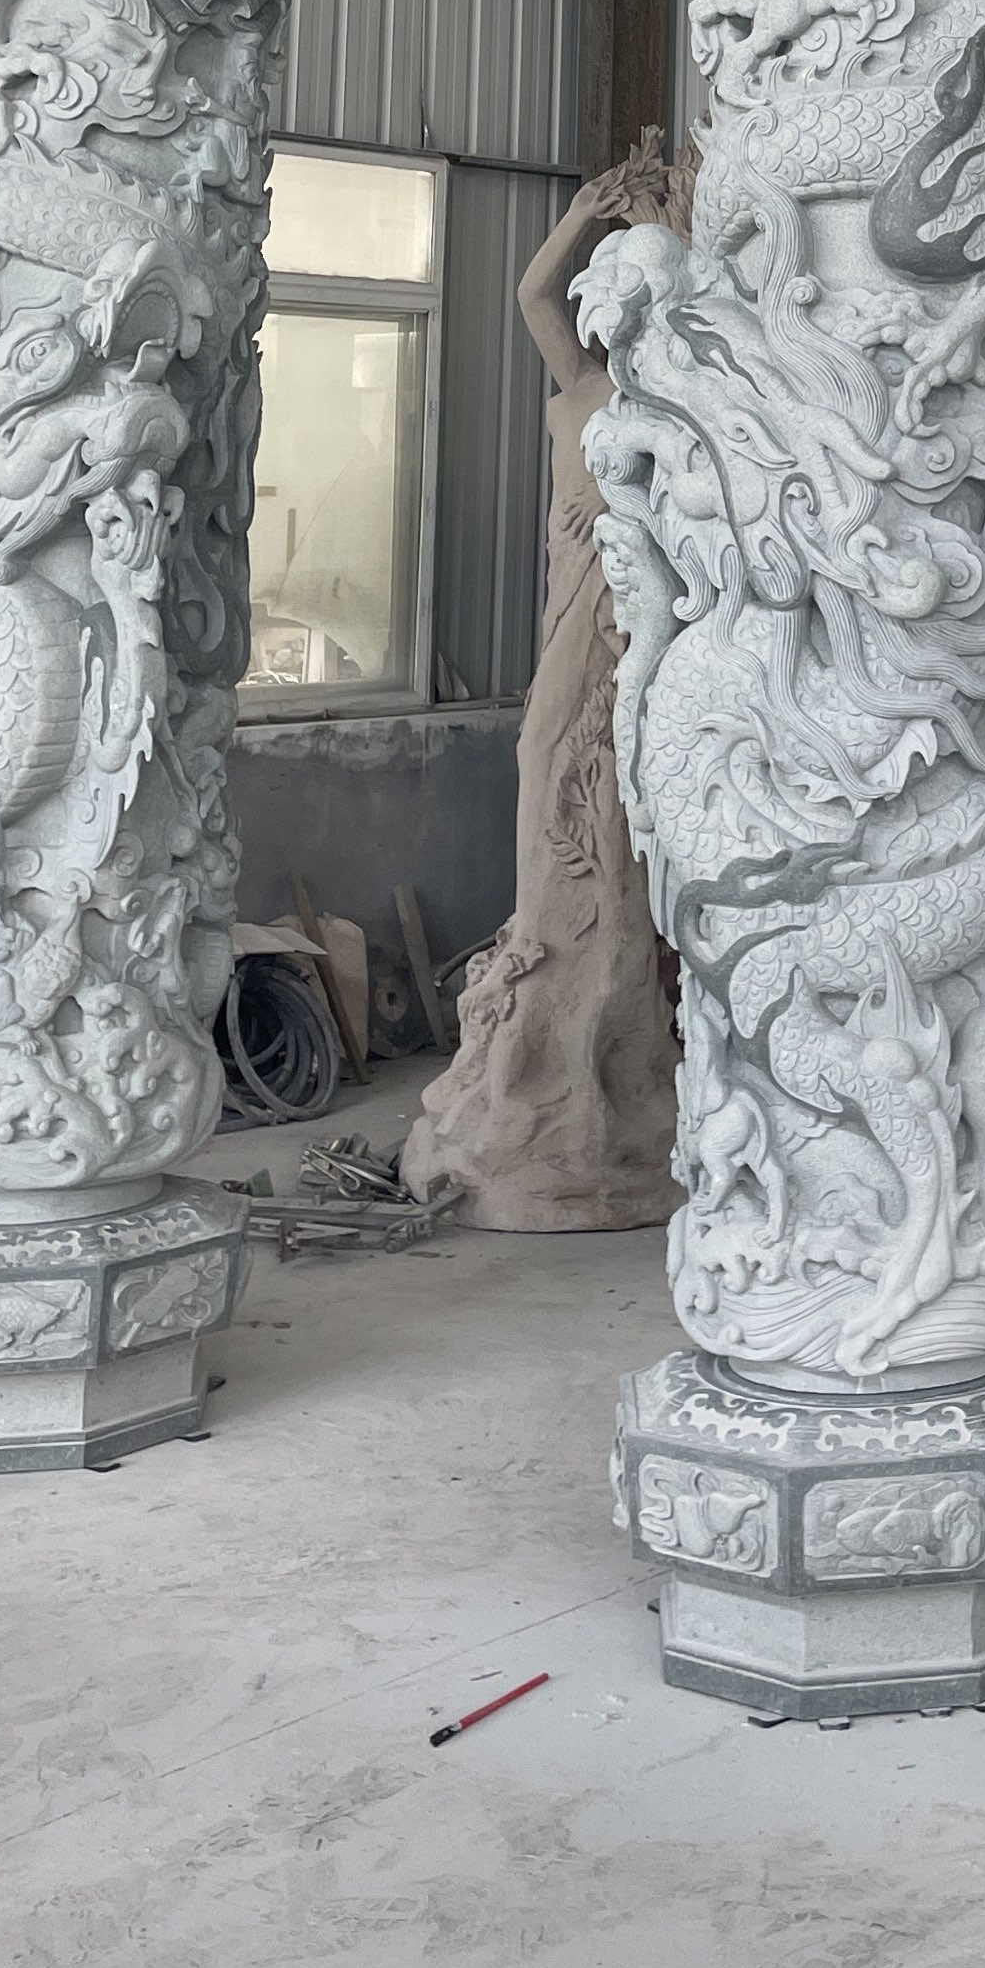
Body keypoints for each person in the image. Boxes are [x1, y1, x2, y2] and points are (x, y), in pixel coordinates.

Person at [402, 134, 682, 1231]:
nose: (602, 306)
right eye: (600, 288)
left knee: (581, 766)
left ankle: (593, 977)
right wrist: (587, 211)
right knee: (548, 756)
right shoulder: (581, 386)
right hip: (567, 600)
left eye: (624, 287)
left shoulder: (668, 403)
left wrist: (664, 228)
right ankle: (546, 945)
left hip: (623, 607)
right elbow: (530, 293)